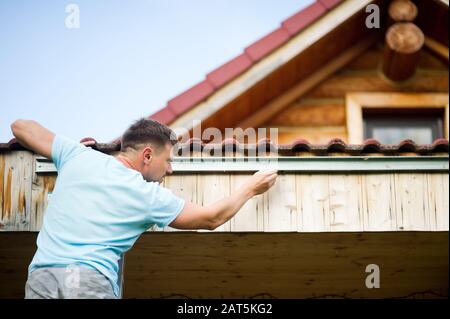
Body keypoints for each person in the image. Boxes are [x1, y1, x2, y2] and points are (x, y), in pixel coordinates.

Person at [10, 118, 278, 299]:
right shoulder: (147, 195)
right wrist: (251, 188)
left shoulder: (77, 156)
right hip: (88, 283)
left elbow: (20, 126)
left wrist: (71, 153)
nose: (170, 169)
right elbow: (211, 218)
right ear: (147, 155)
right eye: (168, 160)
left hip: (40, 280)